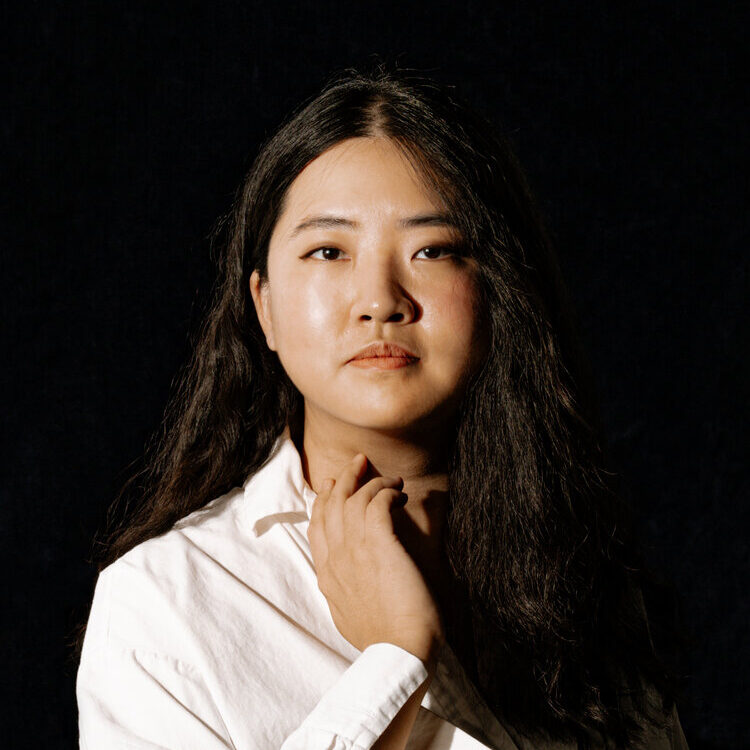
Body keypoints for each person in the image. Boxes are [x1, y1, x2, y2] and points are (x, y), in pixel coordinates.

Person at [75, 64, 690, 749]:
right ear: (265, 307)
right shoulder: (165, 604)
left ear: (498, 294)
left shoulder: (585, 581)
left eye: (433, 249)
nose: (380, 300)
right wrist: (395, 659)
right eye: (328, 250)